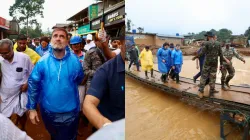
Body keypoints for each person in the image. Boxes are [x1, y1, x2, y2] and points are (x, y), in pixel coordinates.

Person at [26, 28, 84, 140]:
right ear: (51, 40)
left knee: (70, 137)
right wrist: (32, 108)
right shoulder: (42, 62)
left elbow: (79, 78)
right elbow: (33, 84)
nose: (58, 38)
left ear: (67, 41)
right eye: (55, 36)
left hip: (71, 111)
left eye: (62, 36)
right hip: (48, 111)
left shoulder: (75, 61)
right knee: (54, 136)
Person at [83, 25, 125, 130]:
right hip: (96, 82)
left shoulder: (110, 52)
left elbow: (110, 55)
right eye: (97, 41)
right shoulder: (90, 53)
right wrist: (106, 126)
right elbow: (88, 104)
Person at [0, 39, 33, 131]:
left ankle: (22, 129)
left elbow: (33, 73)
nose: (3, 56)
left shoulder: (24, 58)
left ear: (12, 49)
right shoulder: (0, 60)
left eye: (6, 53)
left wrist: (27, 84)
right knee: (5, 117)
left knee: (21, 114)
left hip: (20, 93)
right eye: (1, 53)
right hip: (5, 95)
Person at [192, 31, 226, 98]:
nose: (206, 37)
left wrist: (196, 57)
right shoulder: (218, 44)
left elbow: (202, 53)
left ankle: (201, 91)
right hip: (214, 63)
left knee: (204, 76)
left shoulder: (206, 43)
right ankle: (211, 93)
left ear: (208, 36)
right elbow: (221, 55)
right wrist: (221, 64)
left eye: (206, 36)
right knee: (212, 78)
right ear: (213, 36)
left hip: (207, 63)